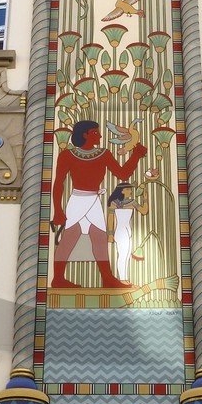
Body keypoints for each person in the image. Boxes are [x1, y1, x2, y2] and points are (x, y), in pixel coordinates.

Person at [49, 119, 146, 289]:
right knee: (69, 239)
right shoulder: (67, 155)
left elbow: (122, 174)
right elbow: (58, 183)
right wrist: (58, 210)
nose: (100, 136)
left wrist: (136, 155)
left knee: (99, 239)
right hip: (77, 200)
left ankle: (107, 279)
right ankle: (57, 279)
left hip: (93, 200)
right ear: (85, 134)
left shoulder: (104, 154)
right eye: (95, 132)